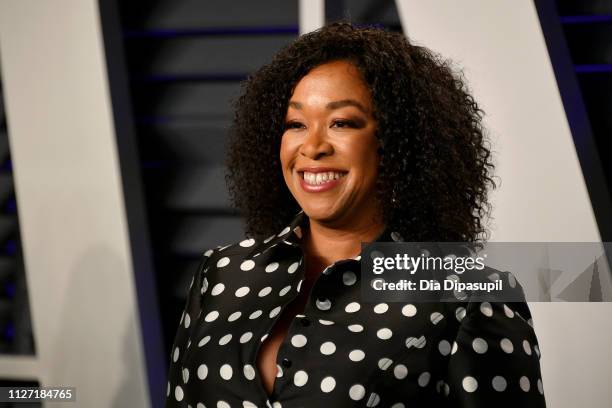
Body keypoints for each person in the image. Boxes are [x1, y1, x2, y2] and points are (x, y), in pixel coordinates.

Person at [164, 22, 546, 408]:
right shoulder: (223, 272)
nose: (312, 147)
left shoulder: (466, 297)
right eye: (295, 124)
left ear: (396, 141)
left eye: (341, 123)